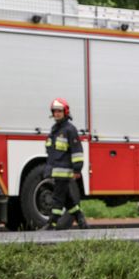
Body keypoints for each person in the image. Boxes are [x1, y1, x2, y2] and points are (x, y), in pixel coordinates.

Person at [42, 98, 88, 230]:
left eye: (59, 111)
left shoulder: (70, 130)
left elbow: (77, 151)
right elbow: (52, 153)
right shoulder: (54, 130)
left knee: (57, 197)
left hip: (65, 171)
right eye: (55, 111)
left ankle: (52, 223)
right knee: (67, 198)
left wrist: (77, 170)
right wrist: (48, 170)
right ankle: (80, 218)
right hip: (55, 170)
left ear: (65, 112)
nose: (57, 113)